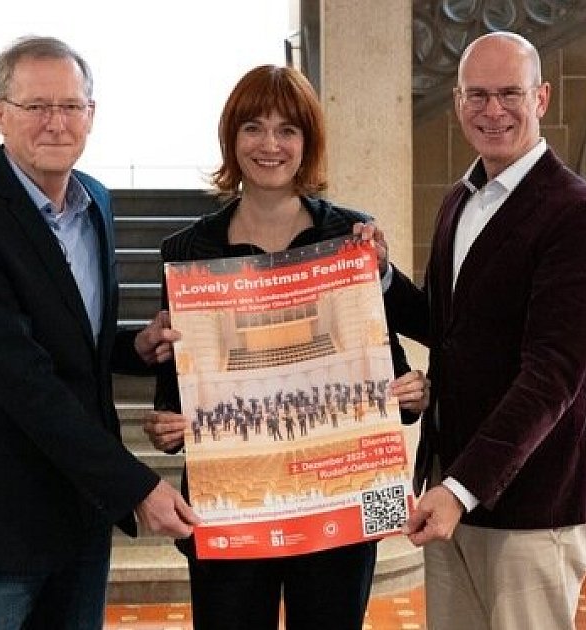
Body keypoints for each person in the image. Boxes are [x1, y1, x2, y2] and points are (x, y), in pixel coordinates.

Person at [0, 35, 199, 629]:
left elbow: (72, 336)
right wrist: (136, 487)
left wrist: (135, 348)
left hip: (78, 518)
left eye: (71, 106)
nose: (56, 123)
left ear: (91, 115)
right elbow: (21, 378)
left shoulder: (94, 200)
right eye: (36, 106)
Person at [140, 64, 430, 630]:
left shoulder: (350, 237)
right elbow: (174, 401)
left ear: (308, 142)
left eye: (286, 129)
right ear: (232, 138)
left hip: (337, 506)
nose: (269, 144)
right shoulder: (187, 250)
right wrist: (167, 428)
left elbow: (391, 381)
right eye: (253, 127)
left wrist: (411, 391)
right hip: (231, 508)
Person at [386, 32, 586, 629]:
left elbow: (552, 378)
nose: (493, 111)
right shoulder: (458, 201)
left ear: (541, 98)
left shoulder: (577, 215)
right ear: (459, 101)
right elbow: (448, 329)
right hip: (451, 493)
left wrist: (461, 487)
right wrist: (381, 278)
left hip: (532, 506)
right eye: (478, 96)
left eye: (510, 94)